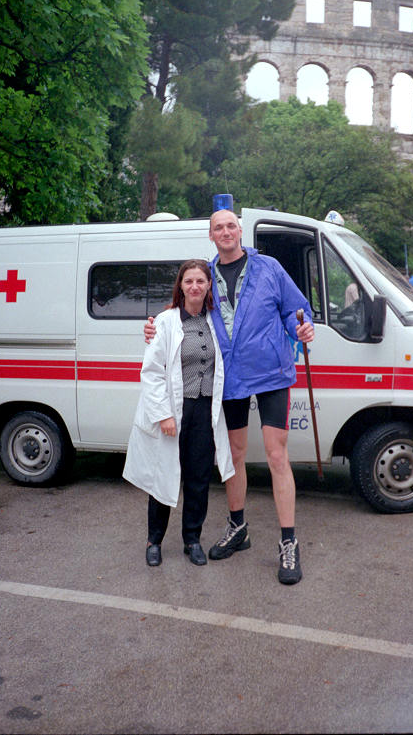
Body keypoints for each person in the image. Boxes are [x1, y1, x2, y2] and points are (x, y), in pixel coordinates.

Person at [144, 209, 314, 585]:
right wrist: (154, 326)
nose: (225, 232)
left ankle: (289, 543)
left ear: (240, 230)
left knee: (276, 455)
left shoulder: (269, 267)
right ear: (211, 235)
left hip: (271, 374)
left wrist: (301, 328)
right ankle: (238, 528)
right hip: (231, 378)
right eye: (218, 227)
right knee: (234, 454)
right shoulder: (205, 274)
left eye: (230, 226)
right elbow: (182, 309)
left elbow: (295, 310)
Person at [124, 260, 235, 568]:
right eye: (189, 281)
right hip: (175, 409)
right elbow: (151, 372)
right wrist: (163, 415)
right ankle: (154, 541)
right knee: (164, 475)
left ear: (209, 285)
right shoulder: (165, 322)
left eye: (200, 281)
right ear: (181, 286)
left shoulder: (217, 322)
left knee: (199, 478)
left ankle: (192, 540)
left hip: (205, 410)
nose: (195, 286)